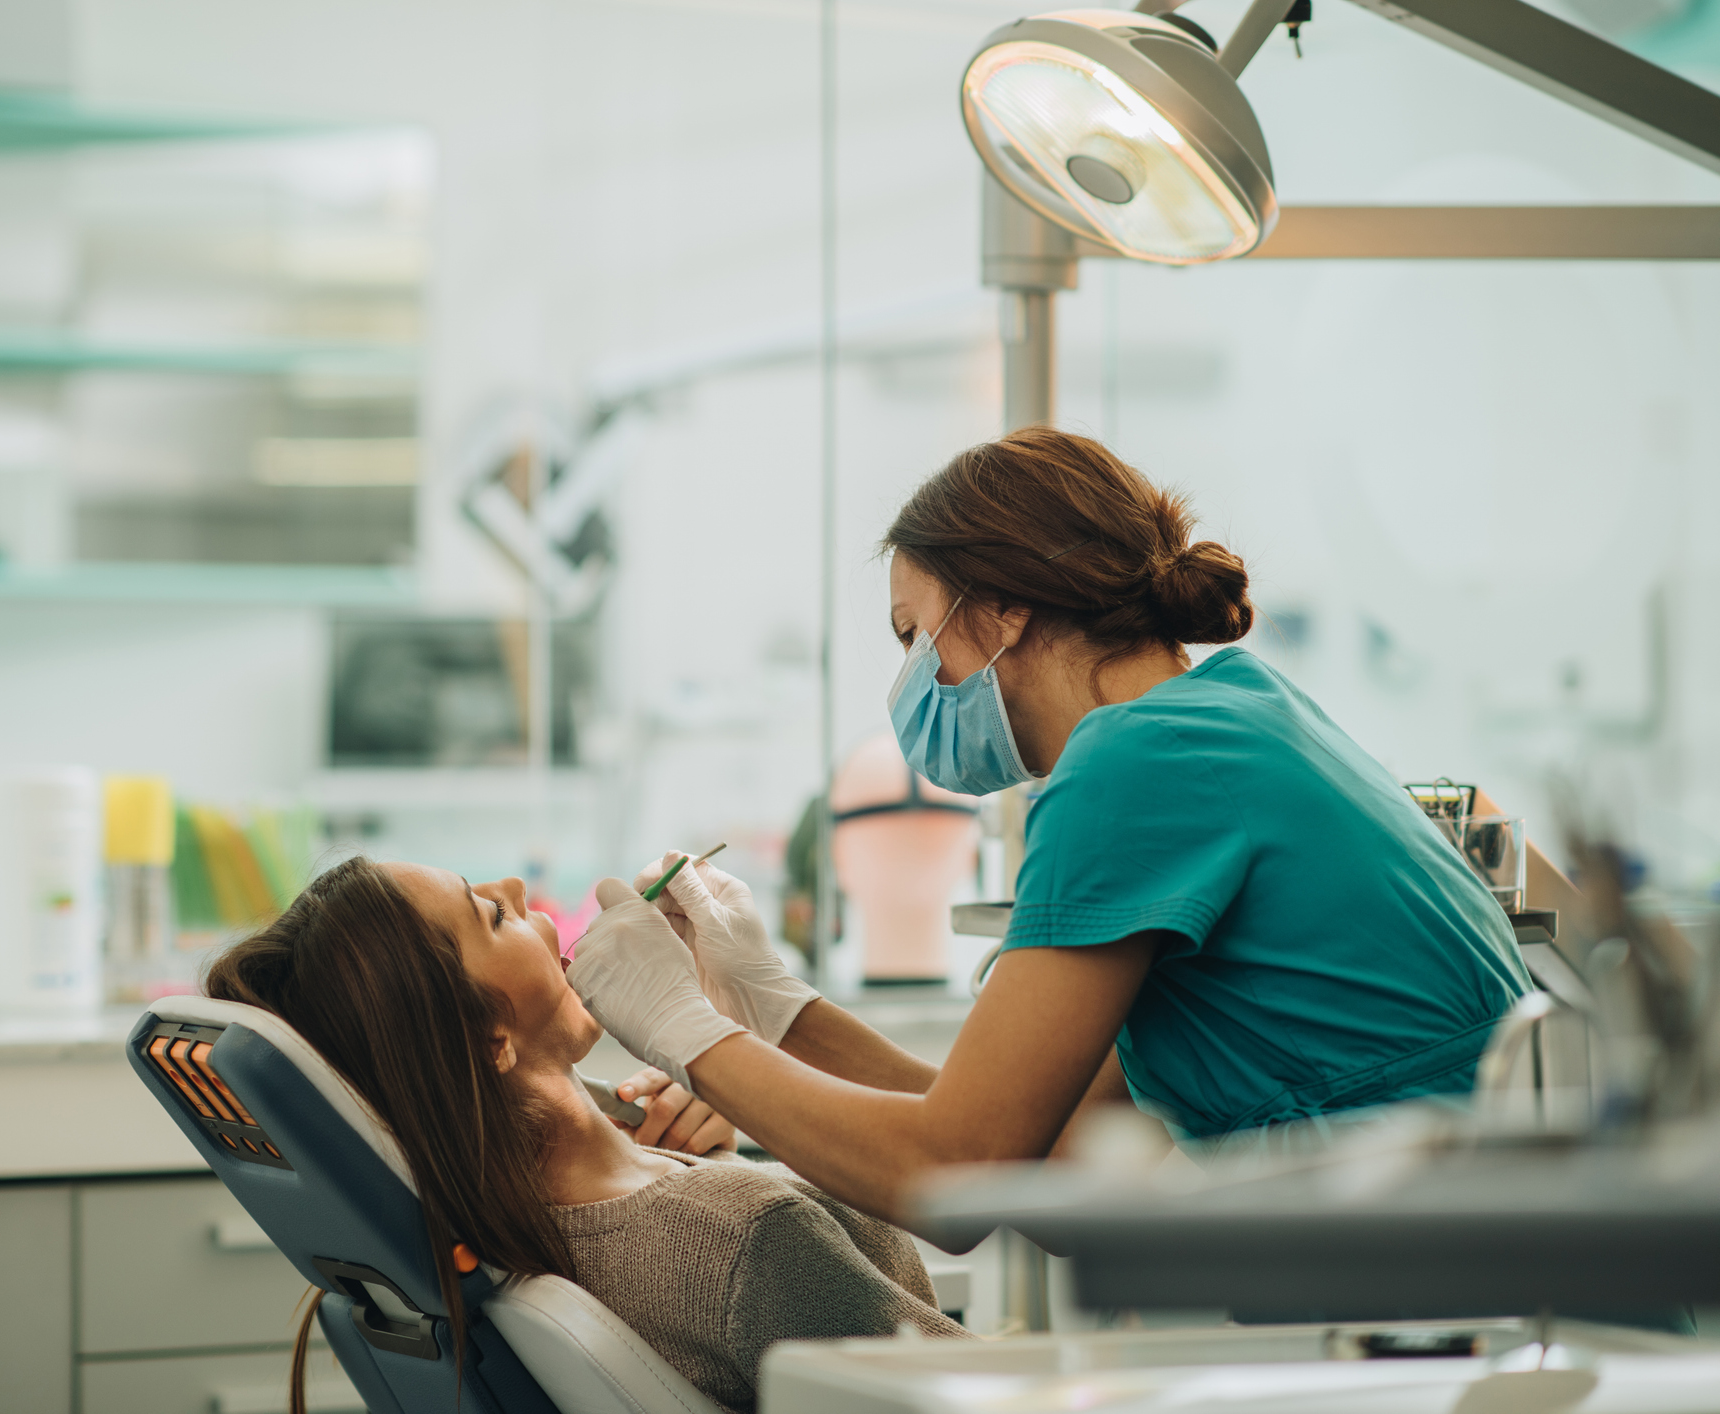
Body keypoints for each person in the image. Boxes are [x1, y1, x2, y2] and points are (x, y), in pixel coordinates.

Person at [567, 427, 1532, 1224]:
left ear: (1002, 608)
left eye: (914, 636)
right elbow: (1045, 1148)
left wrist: (683, 1029)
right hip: (1504, 1273)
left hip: (1456, 1296)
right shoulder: (1234, 713)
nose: (910, 682)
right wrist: (773, 1008)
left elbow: (956, 1171)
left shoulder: (1135, 763)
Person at [204, 856, 968, 1414]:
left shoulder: (506, 1224)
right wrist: (728, 1190)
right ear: (488, 1036)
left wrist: (713, 1159)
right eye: (491, 915)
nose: (511, 888)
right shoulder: (744, 1235)